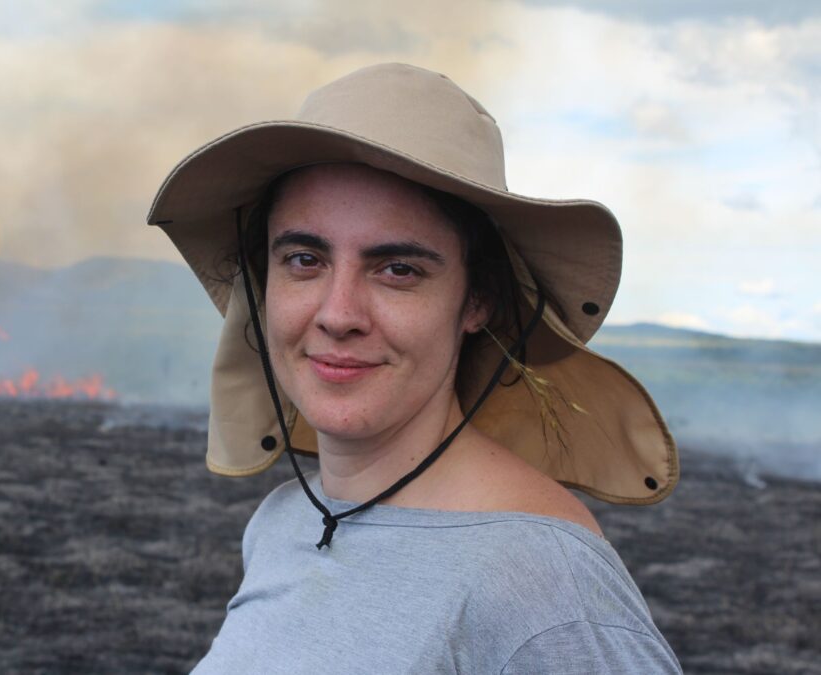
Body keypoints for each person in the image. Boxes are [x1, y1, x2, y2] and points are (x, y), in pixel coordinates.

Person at [148, 64, 682, 673]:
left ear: (476, 300)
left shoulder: (544, 583)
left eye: (398, 269)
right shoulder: (284, 521)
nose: (338, 313)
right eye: (303, 258)